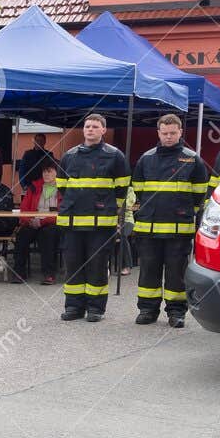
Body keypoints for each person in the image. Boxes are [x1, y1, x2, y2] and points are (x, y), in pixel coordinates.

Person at [131, 113, 211, 328]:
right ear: (158, 132)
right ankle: (147, 310)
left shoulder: (192, 159)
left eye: (172, 133)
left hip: (179, 229)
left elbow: (199, 195)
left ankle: (176, 313)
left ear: (180, 132)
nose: (168, 137)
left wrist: (185, 214)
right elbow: (138, 192)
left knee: (177, 273)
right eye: (164, 133)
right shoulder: (146, 159)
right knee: (149, 271)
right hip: (148, 228)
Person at [57, 113, 129, 322]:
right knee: (73, 265)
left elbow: (121, 189)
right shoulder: (70, 155)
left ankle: (95, 308)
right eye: (87, 126)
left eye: (95, 127)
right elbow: (62, 186)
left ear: (103, 130)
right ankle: (73, 307)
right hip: (73, 223)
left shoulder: (115, 156)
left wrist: (108, 210)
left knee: (97, 266)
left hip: (101, 224)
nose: (90, 130)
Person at [15, 159, 61, 284]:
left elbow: (62, 214)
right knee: (22, 235)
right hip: (33, 221)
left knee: (48, 235)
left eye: (49, 171)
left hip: (52, 223)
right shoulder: (34, 187)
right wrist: (29, 221)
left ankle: (49, 274)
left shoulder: (63, 189)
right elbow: (23, 210)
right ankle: (19, 273)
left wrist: (43, 221)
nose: (46, 174)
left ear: (57, 173)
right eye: (44, 172)